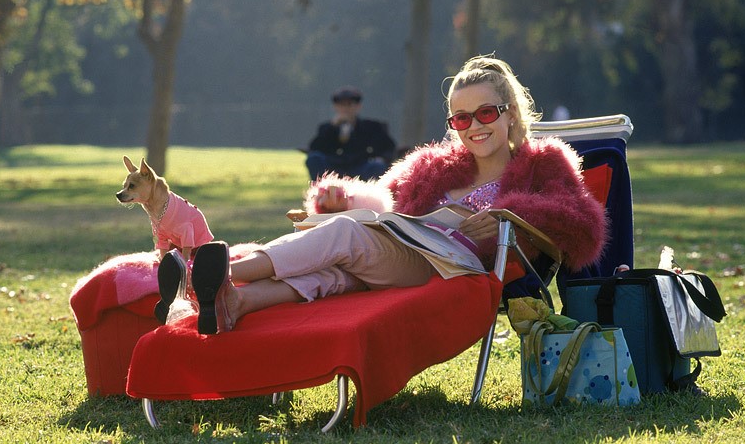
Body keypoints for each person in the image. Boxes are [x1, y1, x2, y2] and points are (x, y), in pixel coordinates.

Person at [175, 55, 608, 335]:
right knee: (335, 272)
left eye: (486, 113)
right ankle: (234, 301)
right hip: (406, 255)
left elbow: (581, 223)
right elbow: (388, 207)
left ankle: (217, 271)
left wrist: (507, 216)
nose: (475, 126)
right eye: (461, 119)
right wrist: (343, 200)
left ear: (510, 113)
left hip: (458, 270)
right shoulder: (432, 168)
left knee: (344, 239)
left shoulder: (543, 163)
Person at [304, 86, 396, 181]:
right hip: (333, 165)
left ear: (358, 106)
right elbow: (315, 148)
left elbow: (388, 147)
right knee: (314, 159)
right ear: (335, 106)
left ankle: (367, 194)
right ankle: (323, 191)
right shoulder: (326, 127)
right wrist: (332, 127)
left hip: (360, 165)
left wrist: (380, 158)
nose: (345, 108)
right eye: (342, 105)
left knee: (377, 165)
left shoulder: (371, 126)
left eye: (349, 104)